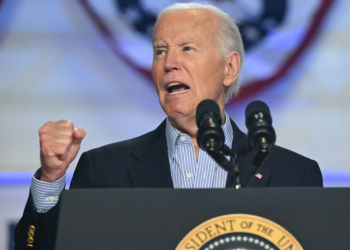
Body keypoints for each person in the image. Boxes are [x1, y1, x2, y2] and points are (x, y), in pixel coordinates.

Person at [14, 3, 323, 249]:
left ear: (229, 68)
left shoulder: (294, 174)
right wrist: (51, 180)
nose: (168, 63)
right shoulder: (104, 169)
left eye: (187, 48)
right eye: (160, 51)